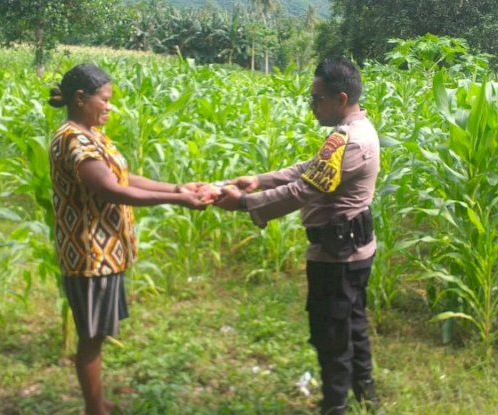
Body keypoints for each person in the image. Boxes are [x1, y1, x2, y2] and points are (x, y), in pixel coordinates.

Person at [216, 57, 381, 415]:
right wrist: (260, 179)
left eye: (316, 98)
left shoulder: (349, 142)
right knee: (352, 325)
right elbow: (310, 169)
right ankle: (367, 400)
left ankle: (335, 406)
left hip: (337, 255)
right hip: (352, 248)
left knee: (332, 334)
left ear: (340, 98)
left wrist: (245, 203)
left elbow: (302, 191)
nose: (312, 105)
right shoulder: (353, 131)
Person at [48, 63, 211, 415]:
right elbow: (111, 190)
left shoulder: (91, 133)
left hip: (105, 254)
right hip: (90, 255)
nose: (109, 106)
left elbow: (123, 176)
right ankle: (95, 409)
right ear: (80, 99)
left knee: (98, 333)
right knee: (91, 338)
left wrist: (177, 187)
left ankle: (98, 400)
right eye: (103, 100)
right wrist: (179, 199)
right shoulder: (73, 140)